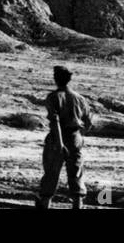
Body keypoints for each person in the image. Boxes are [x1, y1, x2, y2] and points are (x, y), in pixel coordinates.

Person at [36, 65, 93, 209]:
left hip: (57, 138)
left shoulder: (54, 97)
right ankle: (77, 205)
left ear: (56, 79)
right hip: (75, 138)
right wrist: (80, 135)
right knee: (76, 172)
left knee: (51, 172)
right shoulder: (80, 98)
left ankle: (45, 203)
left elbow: (55, 122)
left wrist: (60, 144)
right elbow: (89, 121)